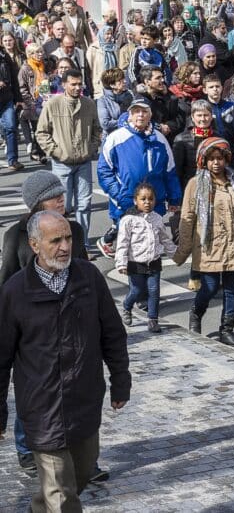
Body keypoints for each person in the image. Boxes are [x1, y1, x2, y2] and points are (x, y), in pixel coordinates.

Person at [0, 210, 130, 511]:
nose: (65, 246)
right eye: (55, 240)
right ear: (34, 245)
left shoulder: (89, 277)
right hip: (41, 409)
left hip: (84, 400)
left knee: (79, 475)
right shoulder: (15, 292)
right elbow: (1, 358)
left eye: (68, 238)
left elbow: (113, 333)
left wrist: (121, 381)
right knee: (61, 494)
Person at [174, 137, 234, 346]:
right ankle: (196, 314)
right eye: (211, 159)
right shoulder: (195, 184)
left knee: (232, 291)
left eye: (220, 158)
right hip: (209, 247)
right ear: (204, 161)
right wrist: (183, 250)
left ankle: (227, 330)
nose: (216, 163)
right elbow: (187, 218)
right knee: (209, 287)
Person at [96, 98, 182, 257]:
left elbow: (169, 170)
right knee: (132, 246)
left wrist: (174, 197)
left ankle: (150, 271)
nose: (140, 115)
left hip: (154, 201)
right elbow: (104, 171)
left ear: (150, 115)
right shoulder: (116, 138)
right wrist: (119, 194)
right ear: (130, 115)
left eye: (144, 111)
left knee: (150, 246)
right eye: (136, 111)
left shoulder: (160, 139)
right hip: (127, 199)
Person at [35, 68, 102, 235]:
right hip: (61, 163)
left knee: (84, 205)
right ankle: (63, 239)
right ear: (64, 84)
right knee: (62, 206)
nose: (77, 88)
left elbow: (97, 130)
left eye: (80, 84)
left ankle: (82, 243)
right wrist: (56, 151)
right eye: (73, 84)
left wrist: (91, 148)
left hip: (84, 162)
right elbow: (41, 133)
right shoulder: (53, 104)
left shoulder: (89, 104)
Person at [115, 182, 176, 334]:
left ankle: (153, 320)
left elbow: (165, 239)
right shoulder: (129, 220)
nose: (147, 202)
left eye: (151, 199)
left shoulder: (157, 218)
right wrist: (121, 263)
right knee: (136, 290)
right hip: (135, 263)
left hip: (154, 261)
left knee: (154, 291)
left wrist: (175, 254)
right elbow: (123, 242)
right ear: (135, 200)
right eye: (143, 199)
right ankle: (127, 306)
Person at [0, 35, 22, 172]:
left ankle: (13, 160)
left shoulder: (4, 55)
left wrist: (18, 98)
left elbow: (14, 78)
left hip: (7, 98)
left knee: (11, 126)